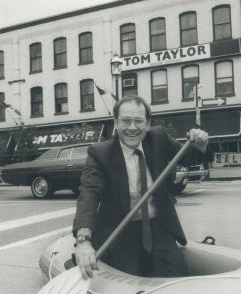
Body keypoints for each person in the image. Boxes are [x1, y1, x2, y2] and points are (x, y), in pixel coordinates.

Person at [73, 94, 211, 280]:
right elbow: (89, 194)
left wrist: (202, 145)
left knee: (176, 279)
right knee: (129, 282)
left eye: (138, 121)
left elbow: (191, 157)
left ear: (147, 124)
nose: (132, 128)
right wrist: (83, 240)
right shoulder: (100, 153)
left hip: (159, 228)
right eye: (126, 121)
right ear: (116, 123)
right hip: (121, 232)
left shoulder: (158, 138)